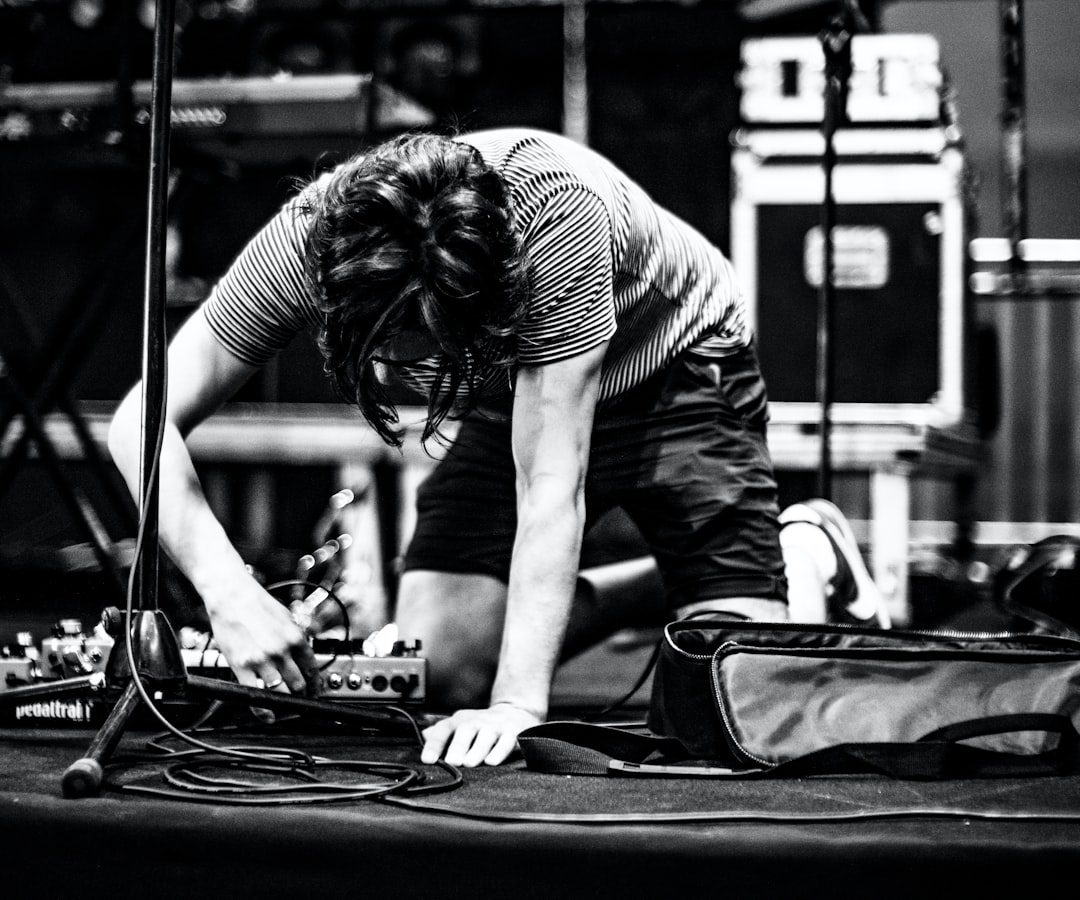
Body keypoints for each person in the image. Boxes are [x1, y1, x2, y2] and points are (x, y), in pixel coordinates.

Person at [108, 127, 887, 769]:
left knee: (732, 689)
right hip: (512, 381)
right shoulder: (311, 242)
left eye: (417, 344)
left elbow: (552, 486)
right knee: (443, 667)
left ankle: (799, 550)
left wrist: (518, 707)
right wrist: (227, 589)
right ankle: (662, 583)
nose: (397, 367)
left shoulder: (556, 222)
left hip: (678, 370)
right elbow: (141, 418)